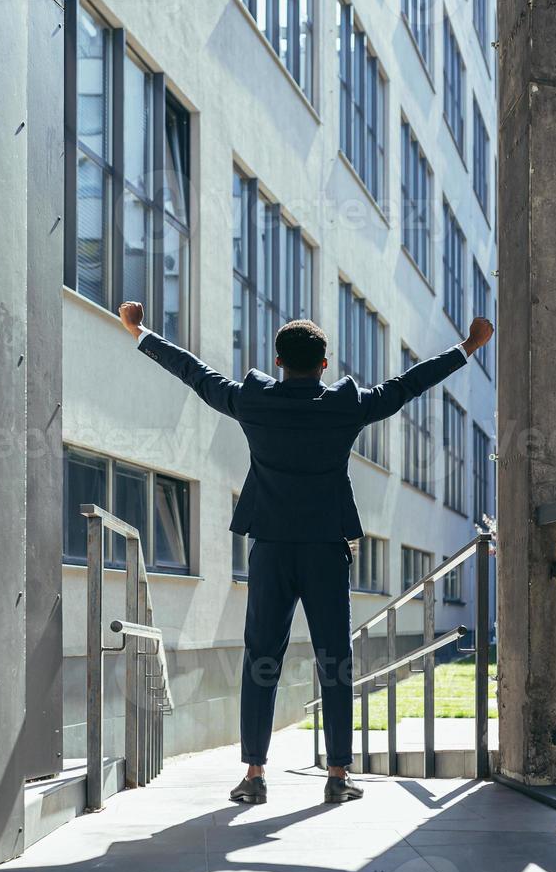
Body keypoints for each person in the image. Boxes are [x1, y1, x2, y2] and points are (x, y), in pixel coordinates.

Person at [117, 300, 494, 804]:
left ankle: (254, 774)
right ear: (324, 365)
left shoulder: (253, 401)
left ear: (277, 361)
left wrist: (141, 330)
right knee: (335, 659)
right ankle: (338, 776)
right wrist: (466, 348)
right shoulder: (345, 406)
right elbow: (407, 386)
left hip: (271, 548)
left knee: (260, 660)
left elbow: (196, 374)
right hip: (325, 550)